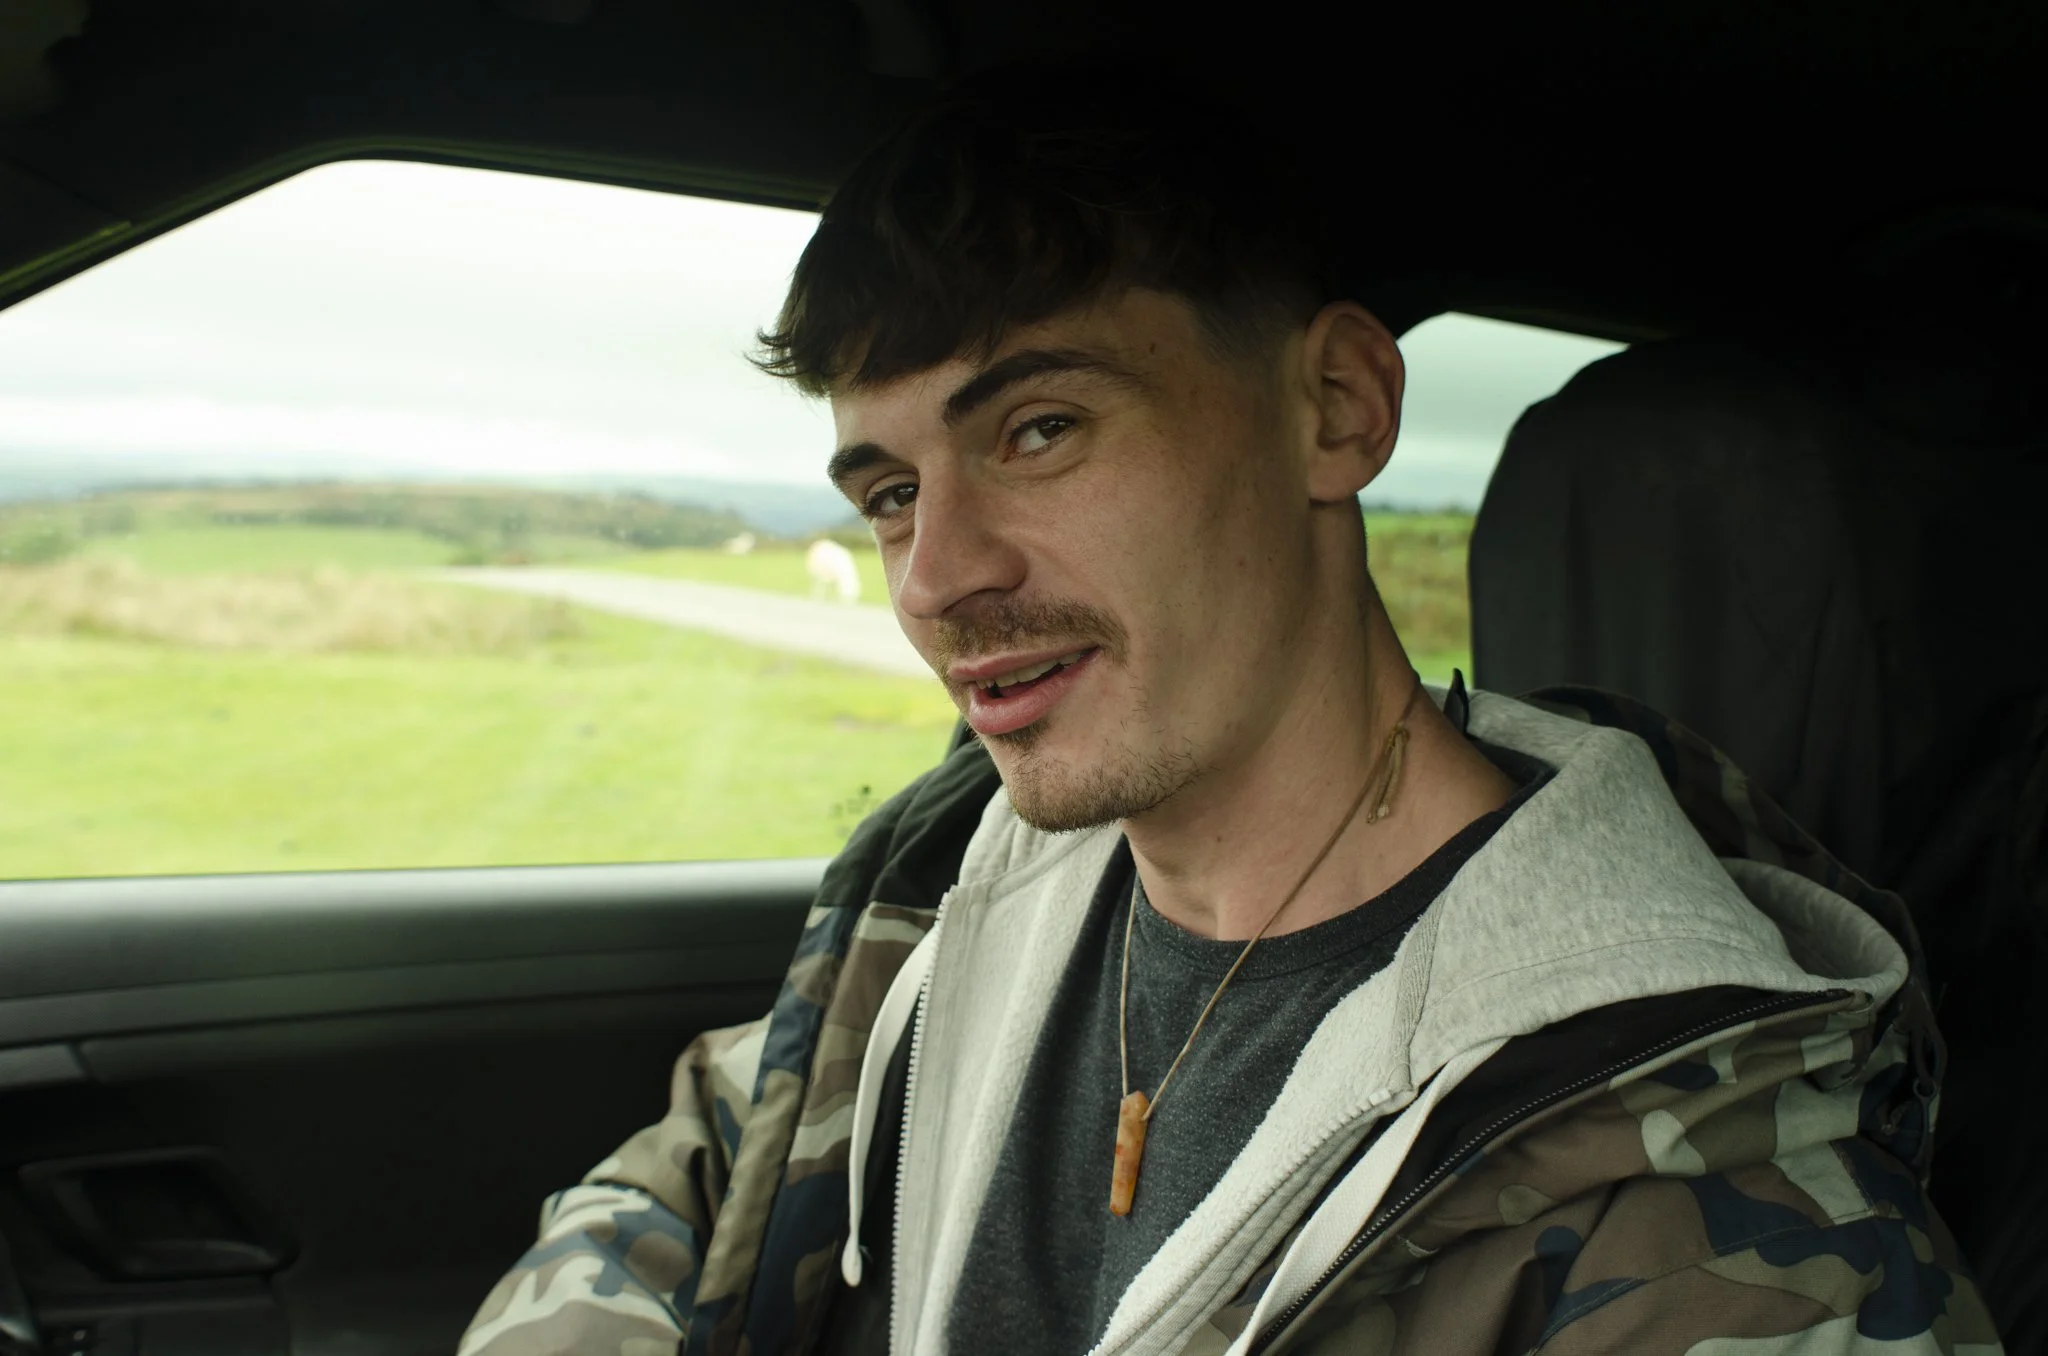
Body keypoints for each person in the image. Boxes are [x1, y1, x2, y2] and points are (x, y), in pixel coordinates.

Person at [456, 64, 1998, 1356]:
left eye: (1041, 429)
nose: (937, 579)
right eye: (890, 492)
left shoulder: (1729, 1227)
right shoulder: (944, 899)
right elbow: (703, 1169)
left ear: (1337, 411)